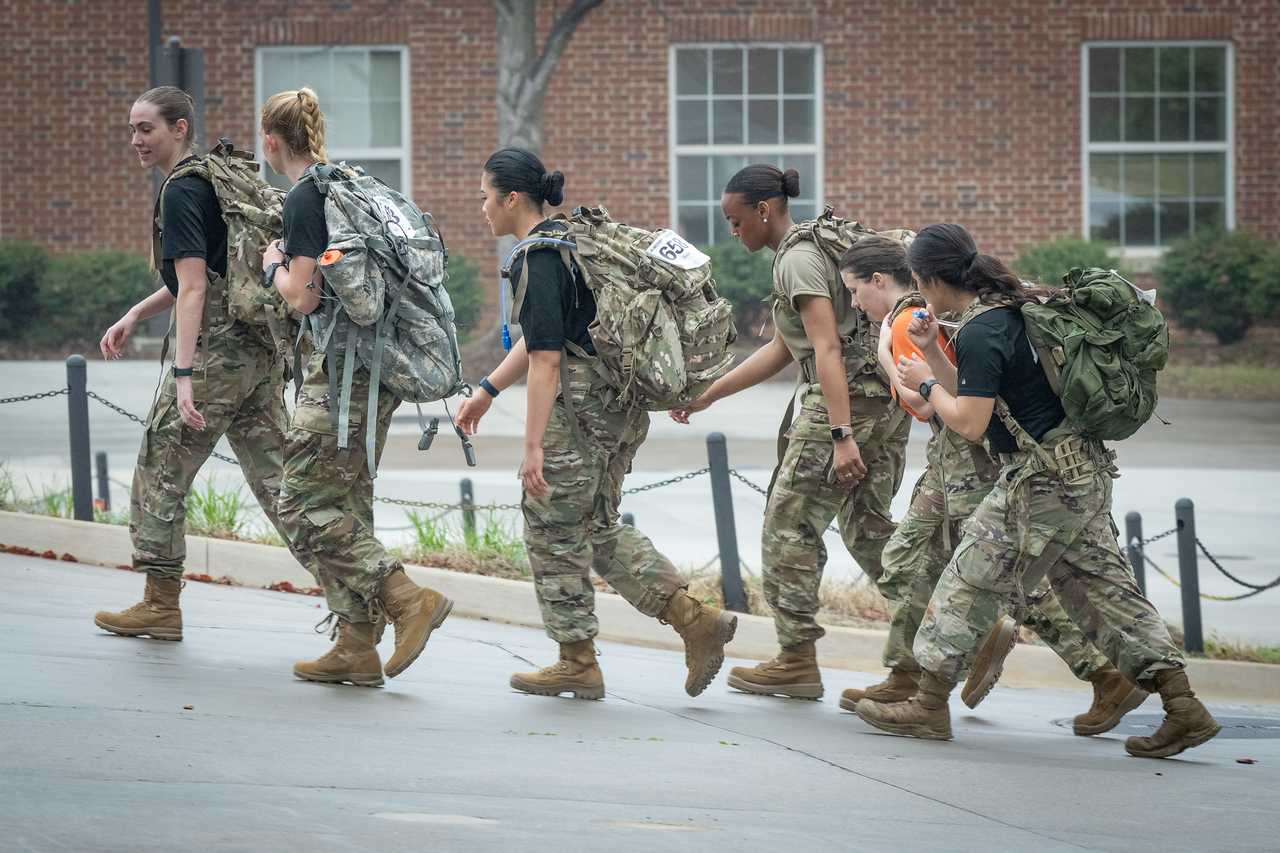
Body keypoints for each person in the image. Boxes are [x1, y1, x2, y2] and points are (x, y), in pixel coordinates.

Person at [855, 223, 1220, 759]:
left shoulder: (982, 330)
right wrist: (934, 352)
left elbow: (969, 421)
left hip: (1041, 482)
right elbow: (984, 396)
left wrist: (926, 382)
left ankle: (928, 706)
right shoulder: (1008, 311)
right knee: (1106, 594)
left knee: (965, 582)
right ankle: (1185, 708)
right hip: (1081, 476)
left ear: (930, 279)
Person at [455, 148, 738, 700]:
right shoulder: (573, 241)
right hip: (619, 407)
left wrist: (532, 447)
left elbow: (547, 361)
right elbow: (547, 339)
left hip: (580, 414)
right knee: (595, 525)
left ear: (512, 199)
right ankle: (693, 620)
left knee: (551, 527)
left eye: (486, 196)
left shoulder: (538, 260)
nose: (482, 208)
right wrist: (487, 391)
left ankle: (576, 661)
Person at [670, 166, 909, 699]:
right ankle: (951, 641)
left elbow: (824, 349)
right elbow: (784, 347)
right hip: (885, 402)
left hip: (841, 411)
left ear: (764, 209)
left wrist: (841, 434)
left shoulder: (796, 259)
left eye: (735, 221)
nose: (734, 233)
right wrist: (710, 392)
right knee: (871, 533)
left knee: (787, 528)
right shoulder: (814, 250)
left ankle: (797, 658)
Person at [94, 86, 304, 643]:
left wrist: (184, 376)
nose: (137, 140)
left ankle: (160, 605)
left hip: (215, 359)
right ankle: (373, 595)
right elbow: (212, 273)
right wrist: (136, 313)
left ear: (180, 128)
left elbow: (192, 291)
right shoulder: (217, 179)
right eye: (133, 129)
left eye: (148, 129)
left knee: (159, 470)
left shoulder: (181, 191)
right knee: (284, 486)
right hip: (257, 353)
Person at [259, 87, 452, 687]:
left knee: (299, 503)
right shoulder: (354, 185)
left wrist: (271, 265)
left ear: (271, 142)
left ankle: (403, 597)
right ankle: (356, 644)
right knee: (347, 500)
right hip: (382, 364)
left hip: (339, 370)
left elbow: (304, 295)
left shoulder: (304, 200)